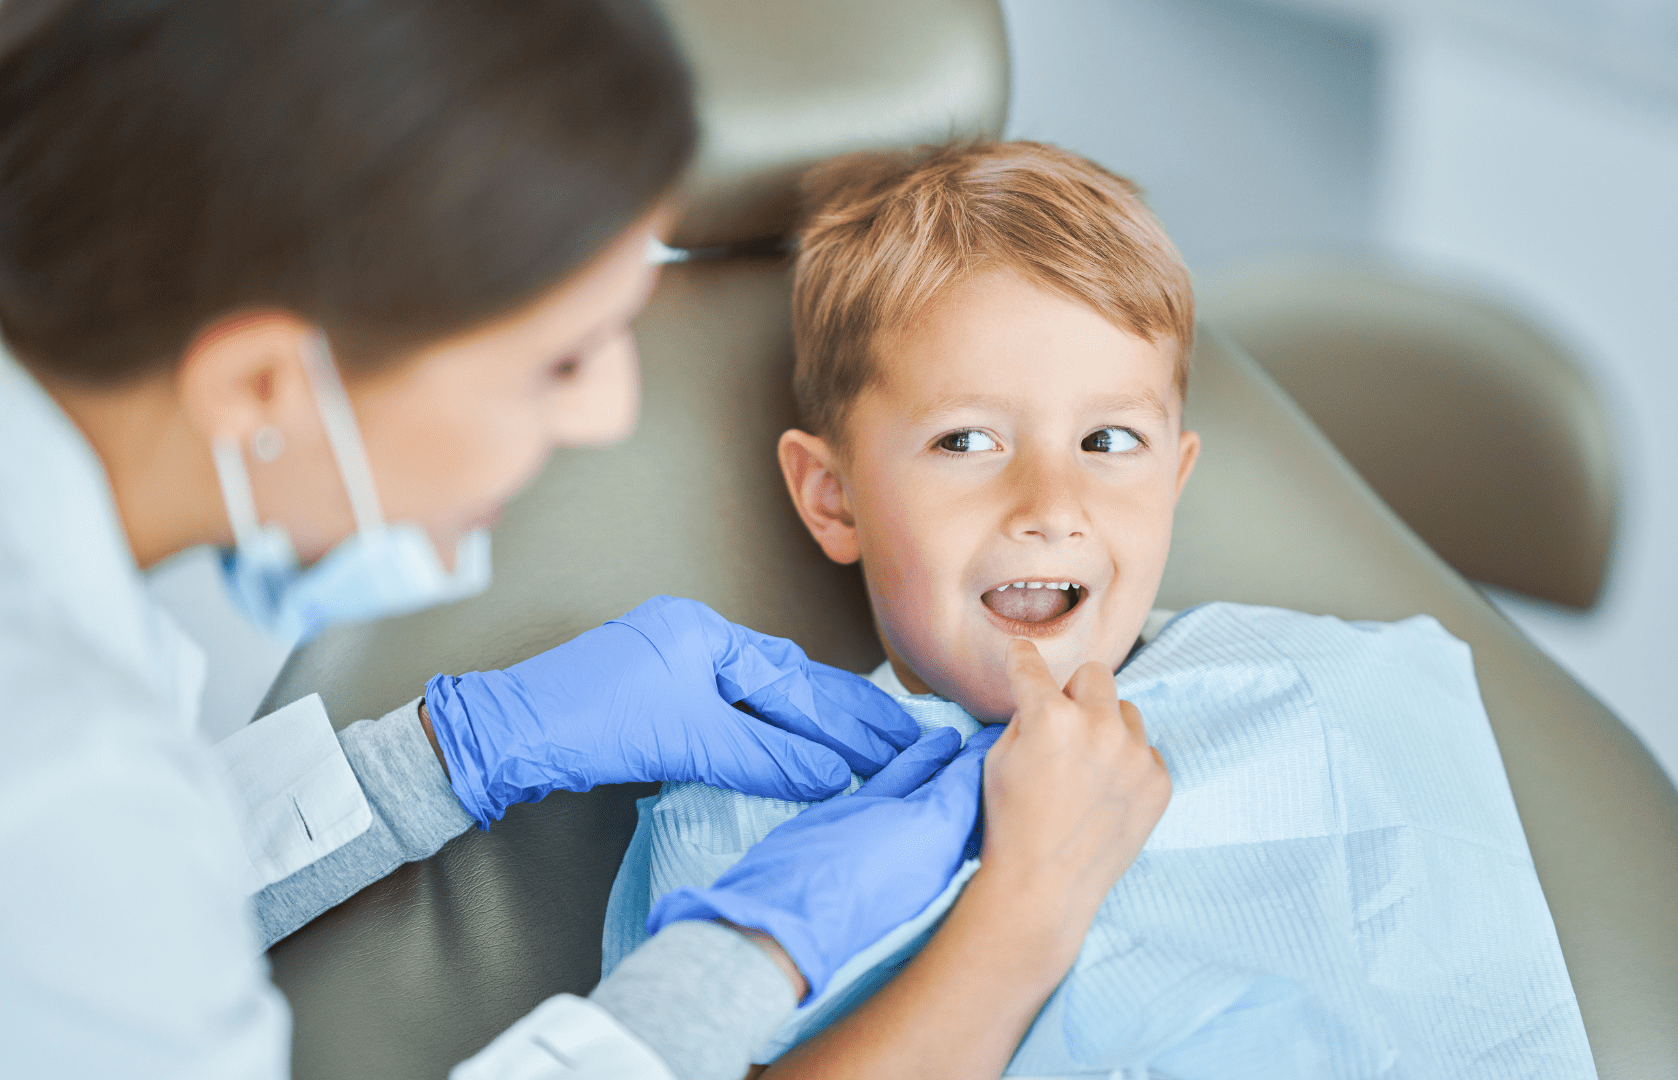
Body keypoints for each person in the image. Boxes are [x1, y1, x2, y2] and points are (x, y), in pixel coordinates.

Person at [0, 6, 1168, 1080]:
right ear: (261, 387)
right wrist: (810, 953)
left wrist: (436, 759)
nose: (611, 414)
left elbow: (66, 910)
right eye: (559, 360)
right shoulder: (64, 769)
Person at [607, 142, 1597, 1078]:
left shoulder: (1330, 704)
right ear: (832, 496)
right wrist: (1027, 903)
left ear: (1175, 476)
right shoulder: (749, 811)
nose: (1051, 508)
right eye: (965, 442)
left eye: (1110, 441)